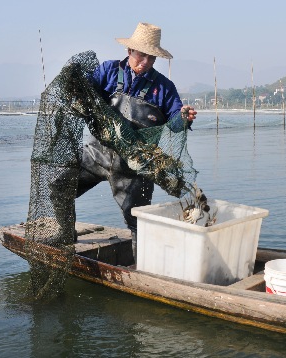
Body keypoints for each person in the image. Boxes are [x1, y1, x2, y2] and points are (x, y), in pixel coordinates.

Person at [77, 23, 197, 257]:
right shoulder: (108, 71)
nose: (145, 62)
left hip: (135, 168)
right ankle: (62, 238)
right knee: (60, 183)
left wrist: (185, 118)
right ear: (129, 51)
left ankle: (144, 267)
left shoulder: (164, 88)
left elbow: (175, 120)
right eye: (141, 55)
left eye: (151, 58)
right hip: (96, 154)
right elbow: (86, 90)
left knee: (138, 222)